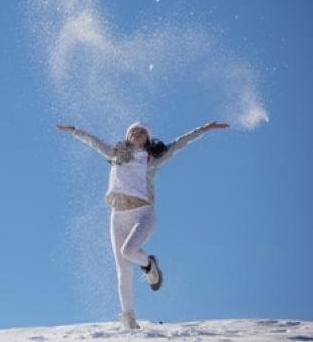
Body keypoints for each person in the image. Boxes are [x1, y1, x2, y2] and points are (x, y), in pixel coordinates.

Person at [57, 121, 229, 330]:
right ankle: (128, 318)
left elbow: (180, 143)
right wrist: (75, 131)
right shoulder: (115, 154)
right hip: (117, 216)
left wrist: (204, 129)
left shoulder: (153, 158)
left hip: (142, 214)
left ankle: (149, 264)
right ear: (126, 136)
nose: (136, 133)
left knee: (129, 250)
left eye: (141, 131)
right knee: (123, 270)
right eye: (132, 131)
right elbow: (93, 142)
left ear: (148, 138)